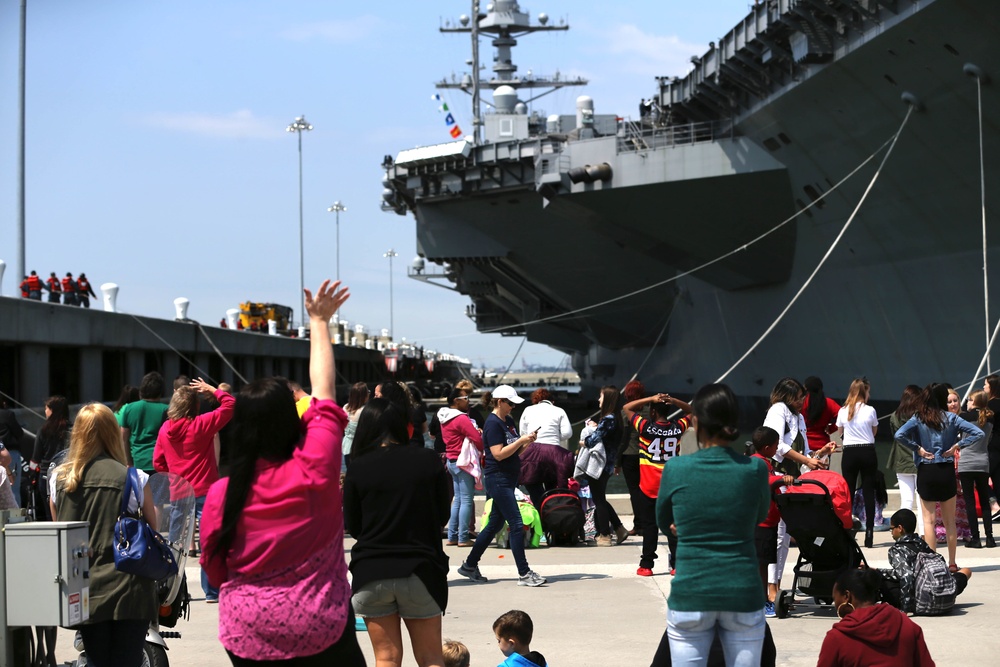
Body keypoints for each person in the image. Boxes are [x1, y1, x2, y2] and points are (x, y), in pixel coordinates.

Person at [200, 279, 366, 666]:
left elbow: (215, 567)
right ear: (293, 422)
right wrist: (319, 321)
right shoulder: (316, 469)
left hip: (247, 628)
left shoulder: (223, 493)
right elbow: (323, 392)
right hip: (320, 624)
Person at [657, 383, 769, 666]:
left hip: (692, 591)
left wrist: (684, 525)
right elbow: (759, 515)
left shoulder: (676, 468)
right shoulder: (755, 469)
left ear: (695, 421)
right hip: (741, 590)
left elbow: (662, 520)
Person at [49, 403, 158, 667]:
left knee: (96, 659)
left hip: (85, 590)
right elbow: (153, 532)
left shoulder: (58, 479)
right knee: (128, 660)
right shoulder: (135, 478)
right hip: (130, 590)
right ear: (113, 433)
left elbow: (61, 532)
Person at [344, 398, 450, 667]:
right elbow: (443, 514)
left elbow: (353, 525)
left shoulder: (358, 467)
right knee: (431, 658)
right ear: (406, 427)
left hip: (371, 571)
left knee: (386, 658)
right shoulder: (428, 461)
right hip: (420, 570)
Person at [154, 377, 235, 603]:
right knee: (210, 541)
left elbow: (158, 462)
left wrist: (174, 475)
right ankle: (211, 591)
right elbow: (230, 406)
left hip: (179, 492)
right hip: (206, 491)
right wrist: (213, 390)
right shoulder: (201, 424)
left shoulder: (164, 430)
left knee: (176, 544)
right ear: (196, 406)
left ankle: (172, 591)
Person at [457, 385, 545, 587]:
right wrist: (521, 440)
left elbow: (514, 453)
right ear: (499, 402)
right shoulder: (493, 424)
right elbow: (497, 454)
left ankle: (469, 565)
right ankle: (524, 573)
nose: (513, 406)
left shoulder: (509, 422)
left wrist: (527, 442)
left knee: (494, 525)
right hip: (498, 479)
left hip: (508, 478)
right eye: (510, 403)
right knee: (516, 523)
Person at [894, 382, 984, 572]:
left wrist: (917, 448)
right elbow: (978, 432)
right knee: (950, 522)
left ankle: (932, 564)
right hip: (946, 470)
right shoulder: (951, 418)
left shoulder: (919, 417)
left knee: (929, 521)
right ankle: (951, 563)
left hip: (926, 471)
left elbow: (899, 434)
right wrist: (958, 446)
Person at [762, 377, 824, 604]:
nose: (802, 402)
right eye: (799, 398)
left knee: (785, 536)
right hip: (778, 478)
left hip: (793, 481)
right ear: (787, 396)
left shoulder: (799, 418)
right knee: (777, 535)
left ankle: (776, 584)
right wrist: (807, 459)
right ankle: (771, 586)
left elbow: (806, 452)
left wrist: (820, 455)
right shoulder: (778, 411)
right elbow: (777, 445)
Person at [622, 390, 693, 576]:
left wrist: (650, 399)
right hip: (670, 486)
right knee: (672, 526)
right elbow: (693, 411)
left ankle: (646, 565)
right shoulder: (678, 427)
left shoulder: (645, 426)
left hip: (648, 486)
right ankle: (677, 565)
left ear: (652, 412)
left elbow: (626, 408)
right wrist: (675, 400)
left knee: (650, 526)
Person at [817, 568, 934, 667]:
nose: (835, 603)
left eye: (835, 598)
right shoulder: (908, 625)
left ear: (847, 596)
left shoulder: (837, 638)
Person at [877, 509, 971, 615]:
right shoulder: (922, 543)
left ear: (900, 528)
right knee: (966, 571)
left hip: (922, 602)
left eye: (892, 529)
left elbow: (907, 576)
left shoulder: (896, 550)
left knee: (881, 581)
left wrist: (904, 609)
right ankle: (945, 595)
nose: (891, 532)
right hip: (946, 597)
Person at [747, 426, 792, 618]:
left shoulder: (762, 462)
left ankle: (760, 599)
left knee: (762, 563)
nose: (776, 449)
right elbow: (766, 482)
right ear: (766, 447)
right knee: (761, 564)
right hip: (762, 523)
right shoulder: (759, 464)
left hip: (767, 521)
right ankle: (761, 602)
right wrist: (783, 479)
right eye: (775, 446)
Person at [835, 378, 879, 548]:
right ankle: (869, 532)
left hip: (850, 451)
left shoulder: (843, 410)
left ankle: (846, 529)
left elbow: (840, 432)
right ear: (863, 392)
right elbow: (874, 431)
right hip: (867, 450)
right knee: (868, 491)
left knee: (848, 493)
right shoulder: (870, 410)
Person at [582, 385, 628, 547]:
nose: (598, 400)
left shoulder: (608, 419)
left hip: (599, 465)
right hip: (607, 465)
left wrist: (584, 440)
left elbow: (593, 440)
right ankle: (619, 528)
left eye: (601, 397)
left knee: (598, 500)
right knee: (600, 498)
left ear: (607, 399)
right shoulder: (615, 419)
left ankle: (605, 535)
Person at [439, 387, 483, 547]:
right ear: (456, 401)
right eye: (465, 398)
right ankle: (463, 538)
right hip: (463, 461)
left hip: (451, 461)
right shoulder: (461, 418)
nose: (468, 401)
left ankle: (452, 536)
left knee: (457, 500)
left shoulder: (444, 417)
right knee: (466, 500)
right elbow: (477, 439)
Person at [958, 390, 995, 548]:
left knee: (970, 502)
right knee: (985, 502)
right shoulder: (990, 418)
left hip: (966, 462)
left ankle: (975, 538)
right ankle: (990, 538)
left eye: (970, 400)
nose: (967, 402)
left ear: (975, 402)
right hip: (983, 462)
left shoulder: (964, 417)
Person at [887, 385, 924, 535]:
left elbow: (895, 437)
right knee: (923, 502)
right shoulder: (921, 416)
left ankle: (904, 532)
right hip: (919, 461)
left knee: (906, 501)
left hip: (901, 462)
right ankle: (923, 533)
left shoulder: (894, 416)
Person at [29, 395, 71, 521]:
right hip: (68, 473)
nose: (45, 411)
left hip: (46, 475)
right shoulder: (72, 429)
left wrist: (31, 475)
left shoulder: (43, 430)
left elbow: (36, 457)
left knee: (50, 513)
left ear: (52, 410)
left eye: (46, 408)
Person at [118, 371, 169, 475]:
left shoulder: (129, 408)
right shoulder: (167, 410)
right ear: (160, 391)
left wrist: (129, 462)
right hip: (160, 463)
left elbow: (123, 438)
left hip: (137, 462)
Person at [616, 380, 648, 535]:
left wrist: (617, 462)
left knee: (634, 492)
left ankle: (638, 525)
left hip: (629, 455)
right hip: (648, 455)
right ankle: (648, 523)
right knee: (647, 491)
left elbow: (622, 439)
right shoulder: (650, 411)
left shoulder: (625, 413)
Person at [802, 376, 841, 455]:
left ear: (805, 388)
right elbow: (843, 415)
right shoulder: (828, 403)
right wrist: (831, 428)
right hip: (823, 446)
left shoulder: (801, 403)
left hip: (804, 445)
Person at [0, 396, 25, 507]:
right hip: (10, 452)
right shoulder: (7, 414)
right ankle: (15, 520)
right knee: (13, 490)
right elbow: (19, 432)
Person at [343, 382, 370, 469]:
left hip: (347, 447)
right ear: (364, 396)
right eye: (368, 392)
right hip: (361, 448)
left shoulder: (345, 408)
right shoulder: (364, 411)